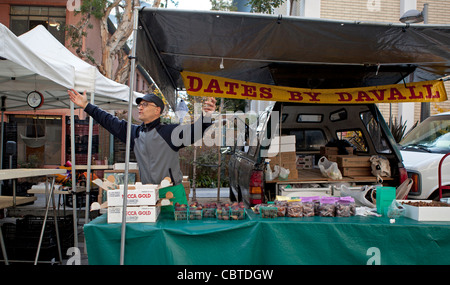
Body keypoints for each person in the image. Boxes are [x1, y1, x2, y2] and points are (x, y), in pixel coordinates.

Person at [68, 89, 216, 209]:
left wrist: (206, 116)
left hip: (173, 193)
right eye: (139, 104)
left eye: (145, 105)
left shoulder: (170, 132)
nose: (140, 107)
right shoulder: (134, 133)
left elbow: (195, 131)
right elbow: (109, 121)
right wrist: (87, 106)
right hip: (148, 194)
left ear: (157, 110)